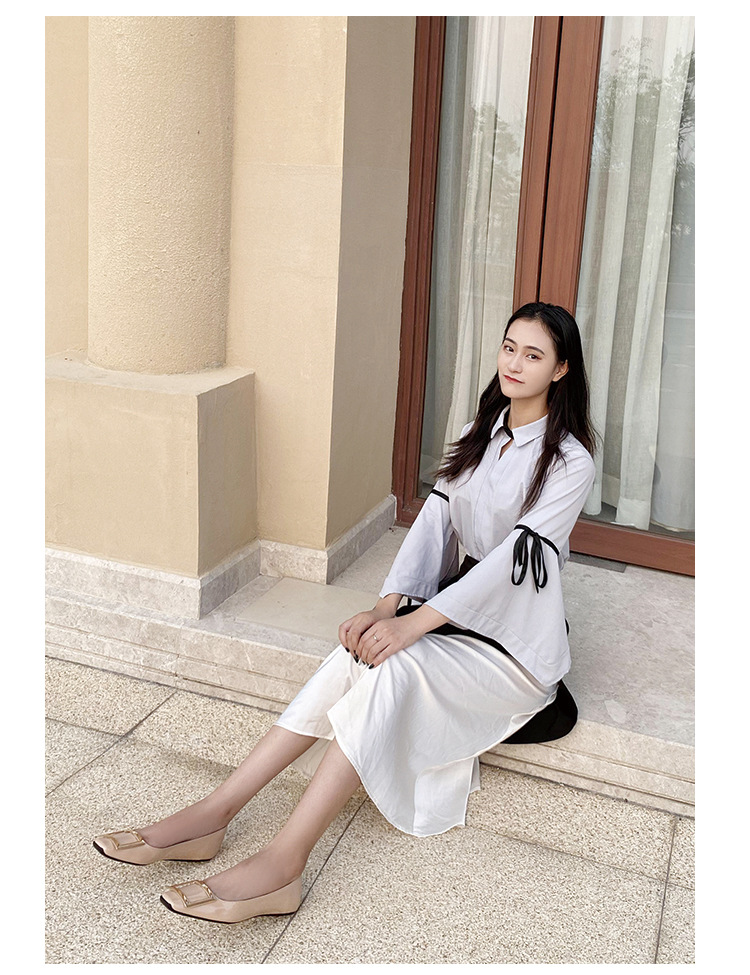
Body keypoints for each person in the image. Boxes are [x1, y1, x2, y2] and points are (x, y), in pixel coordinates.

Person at [93, 301, 596, 924]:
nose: (515, 363)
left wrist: (411, 624)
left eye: (534, 355)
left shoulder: (570, 461)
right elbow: (434, 523)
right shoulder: (481, 431)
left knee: (393, 669)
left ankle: (285, 862)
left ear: (561, 370)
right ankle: (216, 811)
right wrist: (385, 606)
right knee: (351, 656)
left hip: (515, 648)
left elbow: (508, 567)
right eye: (509, 347)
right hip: (458, 619)